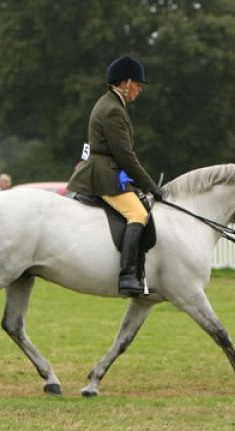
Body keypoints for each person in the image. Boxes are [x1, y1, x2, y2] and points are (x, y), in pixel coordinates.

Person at [67, 55, 163, 296]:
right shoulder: (113, 110)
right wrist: (151, 186)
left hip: (109, 170)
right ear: (126, 82)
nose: (139, 90)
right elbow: (125, 156)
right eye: (138, 85)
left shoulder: (110, 104)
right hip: (104, 174)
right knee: (138, 214)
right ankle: (129, 275)